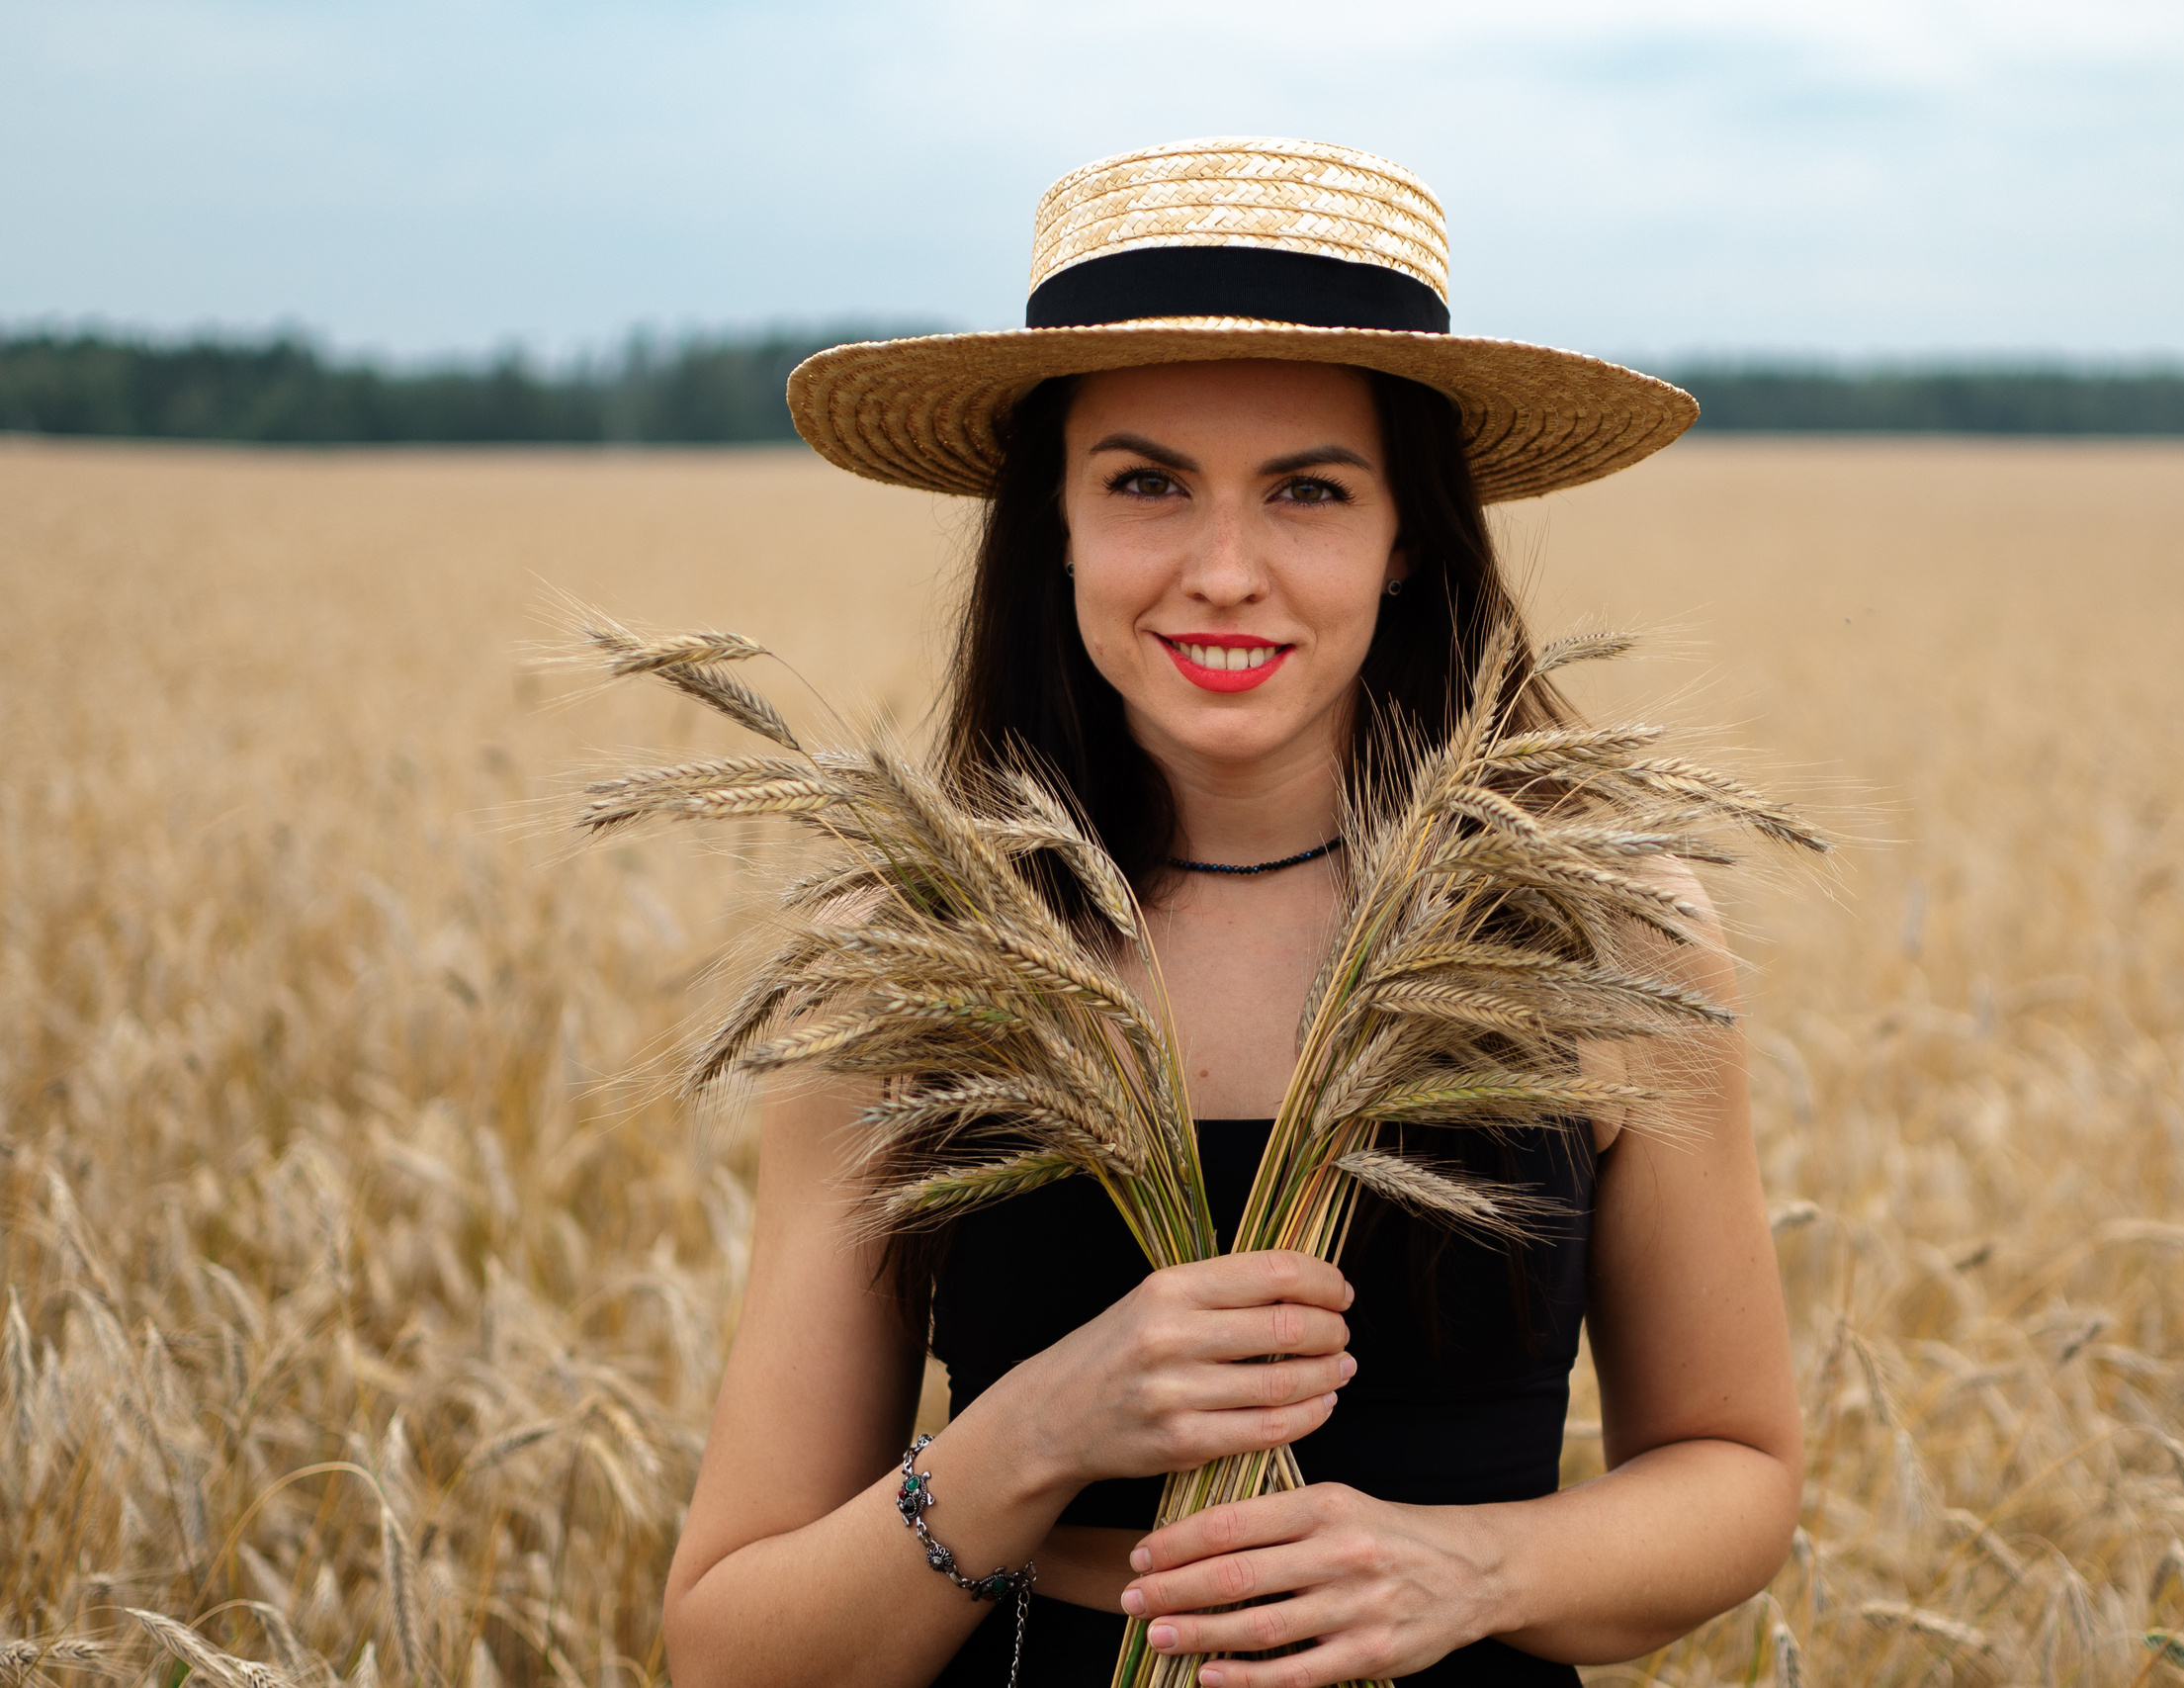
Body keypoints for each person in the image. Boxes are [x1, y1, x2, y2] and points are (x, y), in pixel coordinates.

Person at [660, 137, 1800, 1688]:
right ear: (1049, 519)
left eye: (1309, 493)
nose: (1222, 570)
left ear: (1409, 538)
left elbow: (1735, 1474)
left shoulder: (1602, 931)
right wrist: (1037, 1430)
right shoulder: (908, 957)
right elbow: (732, 1648)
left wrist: (1466, 1567)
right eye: (1144, 484)